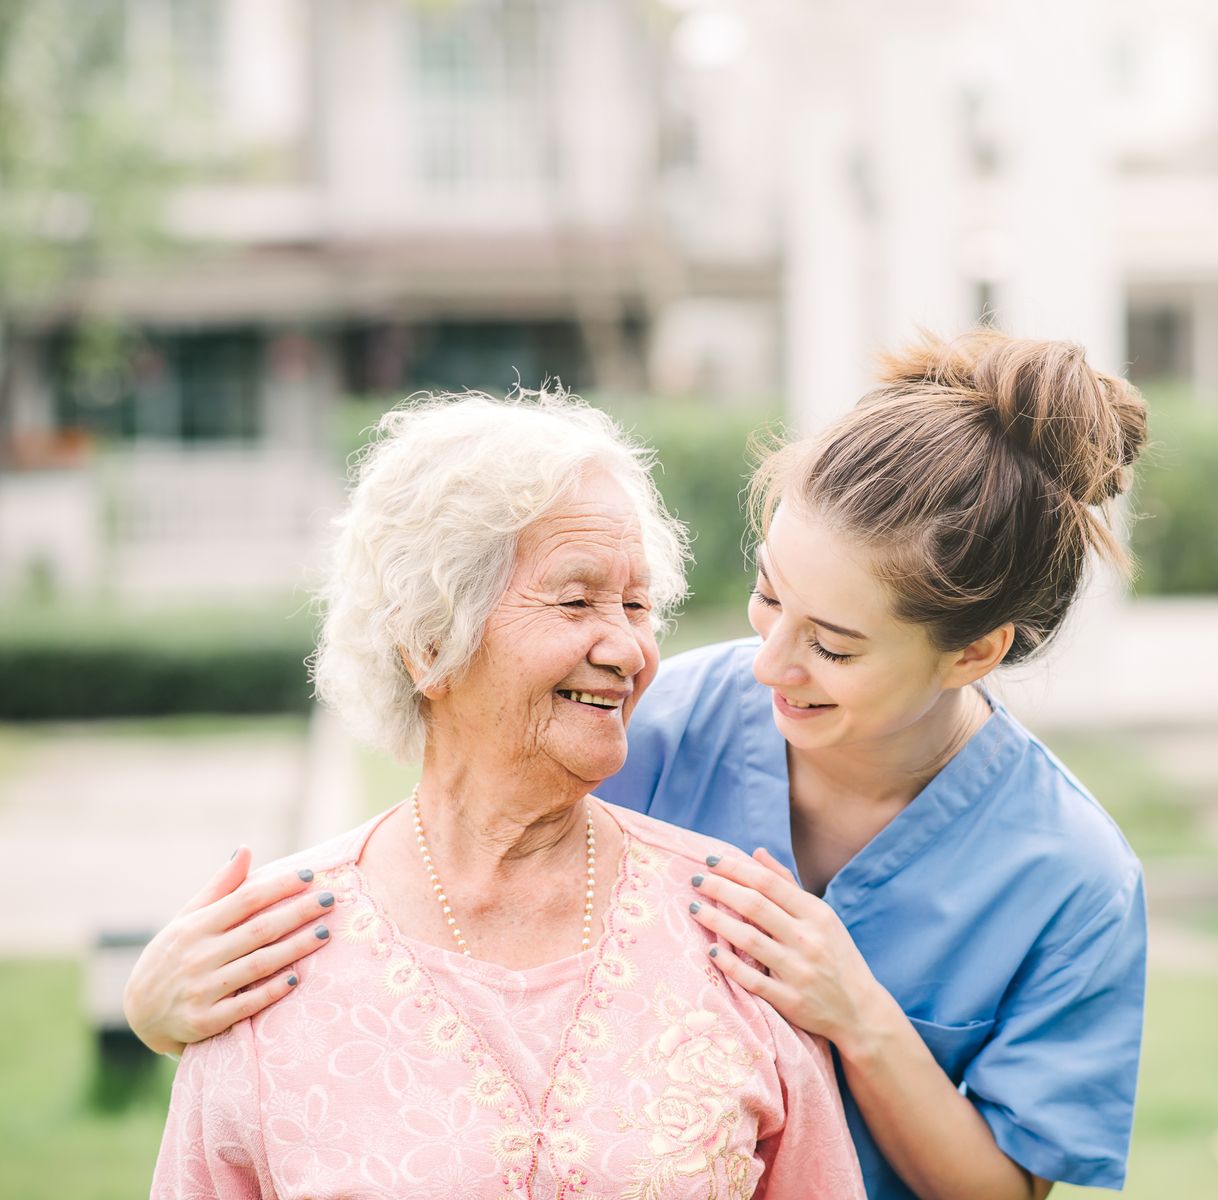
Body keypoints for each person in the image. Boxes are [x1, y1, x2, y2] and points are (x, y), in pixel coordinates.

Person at [132, 330, 1150, 1200]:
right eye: (765, 596)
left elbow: (1009, 1188)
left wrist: (858, 1015)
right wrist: (167, 1004)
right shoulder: (657, 718)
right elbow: (462, 822)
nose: (769, 662)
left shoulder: (1071, 879)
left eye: (831, 646)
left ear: (974, 653)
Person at [150, 391, 864, 1200]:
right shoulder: (269, 956)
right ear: (429, 642)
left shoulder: (731, 924)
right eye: (576, 600)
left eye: (637, 606)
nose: (628, 647)